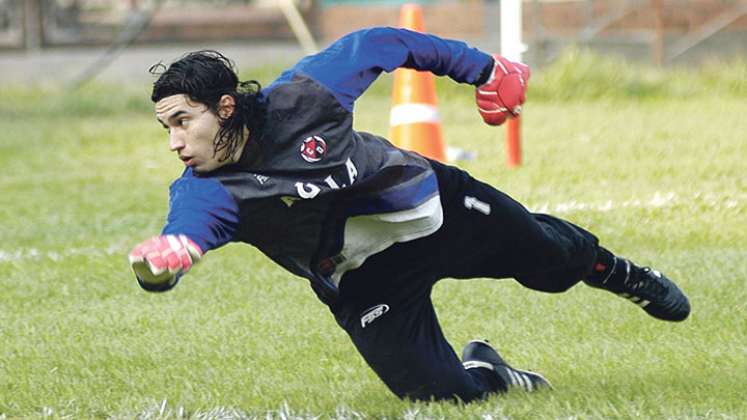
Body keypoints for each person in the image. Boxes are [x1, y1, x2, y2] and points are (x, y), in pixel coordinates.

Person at [128, 27, 690, 403]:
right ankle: (491, 371)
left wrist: (485, 69)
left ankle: (622, 275)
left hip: (434, 210)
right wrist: (168, 259)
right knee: (437, 395)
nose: (176, 140)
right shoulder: (205, 191)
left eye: (183, 121)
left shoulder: (305, 95)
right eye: (166, 128)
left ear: (225, 108)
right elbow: (186, 236)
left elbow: (383, 41)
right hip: (364, 279)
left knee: (550, 262)